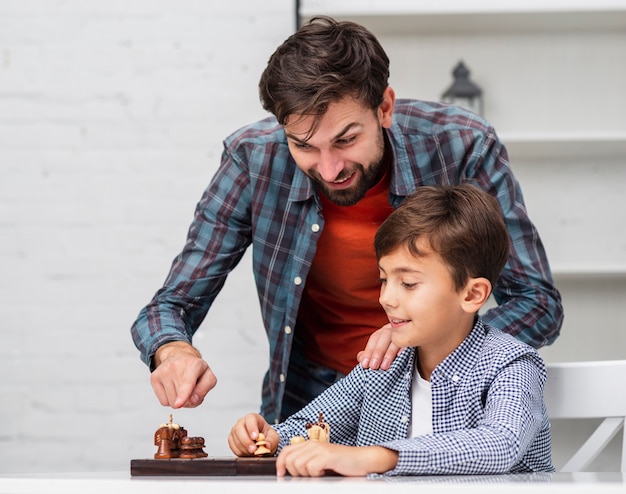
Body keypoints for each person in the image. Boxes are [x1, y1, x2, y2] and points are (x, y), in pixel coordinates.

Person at [130, 16, 563, 424]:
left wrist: (430, 343)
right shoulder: (252, 158)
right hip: (310, 400)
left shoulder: (462, 146)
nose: (330, 168)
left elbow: (537, 302)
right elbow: (170, 305)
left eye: (347, 139)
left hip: (437, 392)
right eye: (304, 146)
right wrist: (172, 351)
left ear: (385, 108)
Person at [228, 184, 554, 477]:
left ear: (472, 295)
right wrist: (266, 438)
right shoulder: (383, 365)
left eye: (409, 283)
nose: (386, 298)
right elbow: (307, 427)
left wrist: (373, 458)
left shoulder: (511, 366)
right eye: (384, 279)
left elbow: (499, 444)